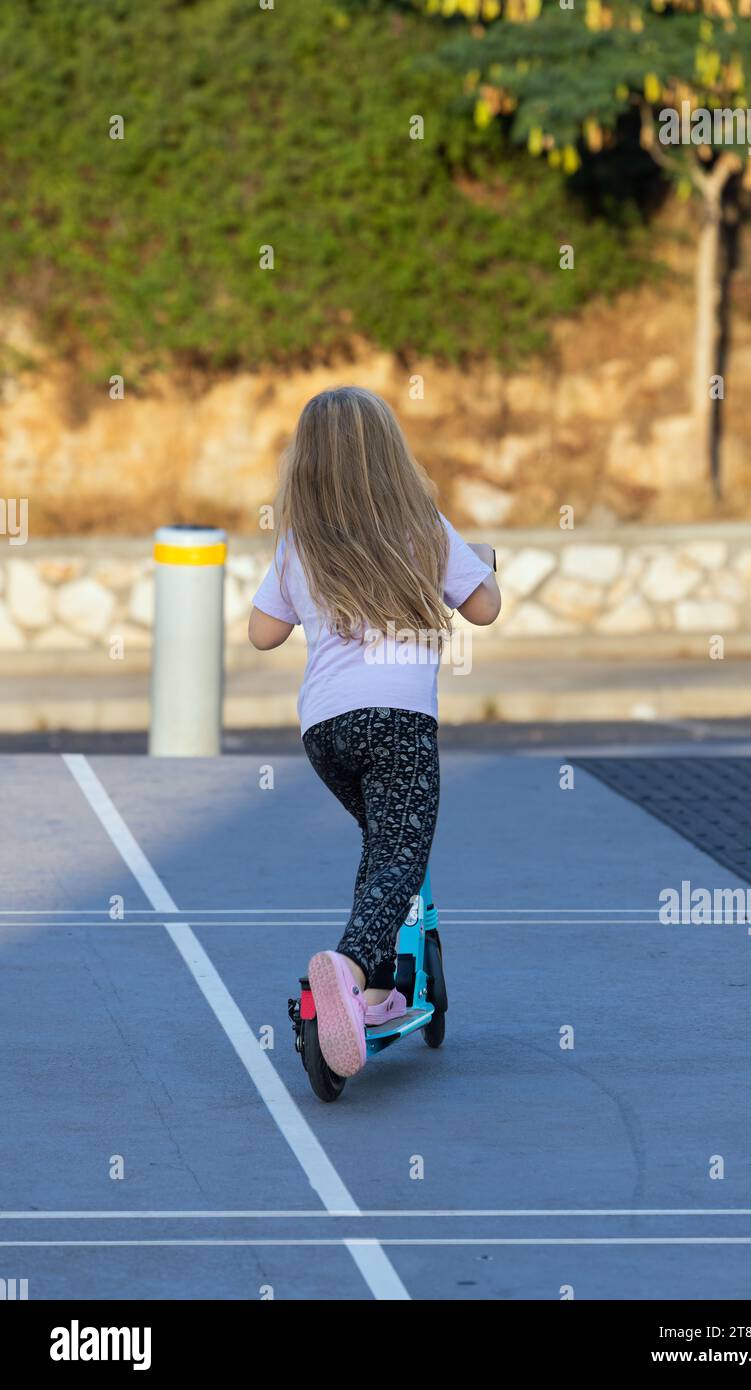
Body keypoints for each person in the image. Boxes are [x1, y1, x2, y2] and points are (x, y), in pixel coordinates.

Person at [249, 386, 501, 1077]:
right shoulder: (424, 526)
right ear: (391, 452)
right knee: (401, 857)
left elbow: (261, 634)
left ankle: (386, 992)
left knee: (383, 847)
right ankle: (350, 968)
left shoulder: (302, 544)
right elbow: (483, 609)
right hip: (399, 724)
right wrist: (482, 559)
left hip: (326, 732)